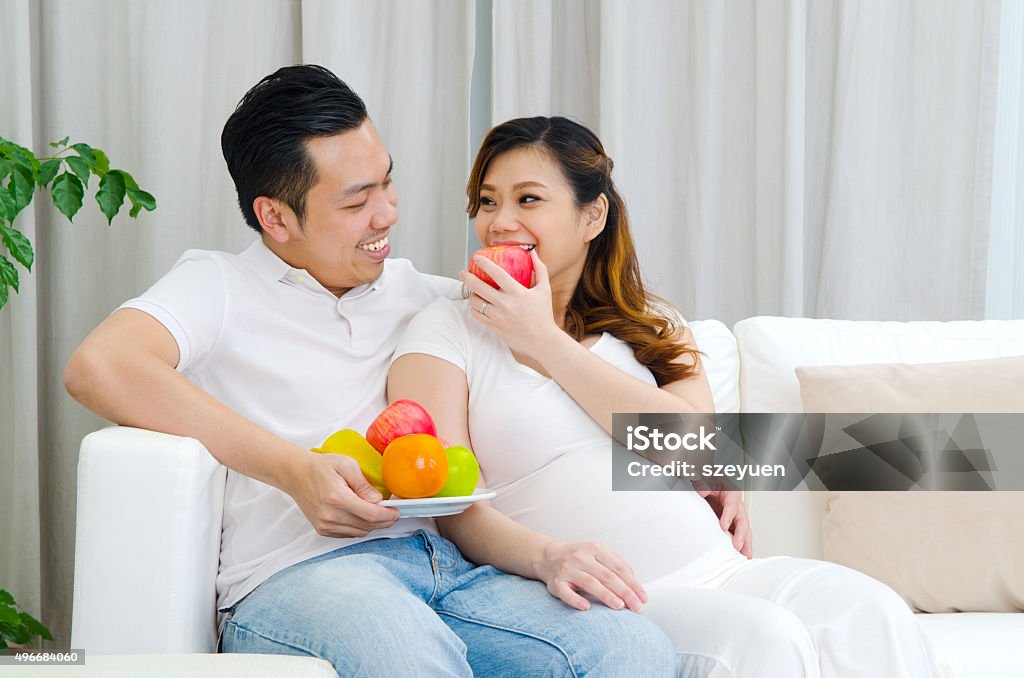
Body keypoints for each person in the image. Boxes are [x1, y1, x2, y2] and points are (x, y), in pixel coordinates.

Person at [63, 67, 678, 677]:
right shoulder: (217, 286)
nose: (386, 214)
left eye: (388, 185)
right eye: (357, 201)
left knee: (629, 648)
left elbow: (615, 347)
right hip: (296, 579)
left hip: (444, 568)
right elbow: (100, 366)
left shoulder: (427, 299)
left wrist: (717, 464)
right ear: (275, 217)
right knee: (406, 651)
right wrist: (295, 471)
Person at [387, 116, 939, 677]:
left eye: (528, 199)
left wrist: (544, 341)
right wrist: (547, 556)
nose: (500, 222)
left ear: (592, 215)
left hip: (725, 570)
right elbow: (446, 504)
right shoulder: (446, 329)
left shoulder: (649, 323)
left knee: (873, 611)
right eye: (486, 202)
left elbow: (696, 452)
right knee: (765, 640)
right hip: (619, 599)